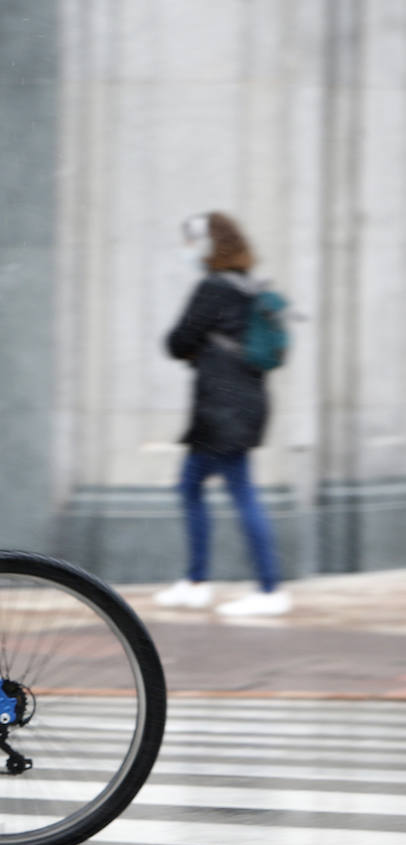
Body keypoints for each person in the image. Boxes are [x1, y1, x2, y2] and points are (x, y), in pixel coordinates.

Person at [156, 211, 290, 617]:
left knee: (233, 491)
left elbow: (178, 341)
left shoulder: (213, 288)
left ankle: (266, 589)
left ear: (210, 246)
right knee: (194, 485)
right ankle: (199, 581)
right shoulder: (249, 287)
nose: (189, 251)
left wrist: (196, 348)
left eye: (193, 243)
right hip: (244, 404)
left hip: (221, 408)